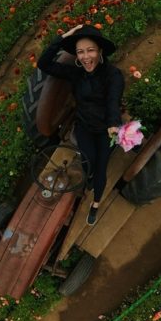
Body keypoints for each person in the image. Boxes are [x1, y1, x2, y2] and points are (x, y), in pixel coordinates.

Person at [37, 24, 125, 225]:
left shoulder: (113, 75)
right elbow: (44, 64)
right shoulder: (76, 73)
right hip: (84, 125)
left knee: (101, 169)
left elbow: (113, 102)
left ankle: (95, 204)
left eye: (91, 50)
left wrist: (113, 124)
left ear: (100, 51)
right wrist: (62, 38)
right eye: (80, 52)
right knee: (88, 161)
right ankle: (90, 174)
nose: (86, 57)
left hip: (105, 130)